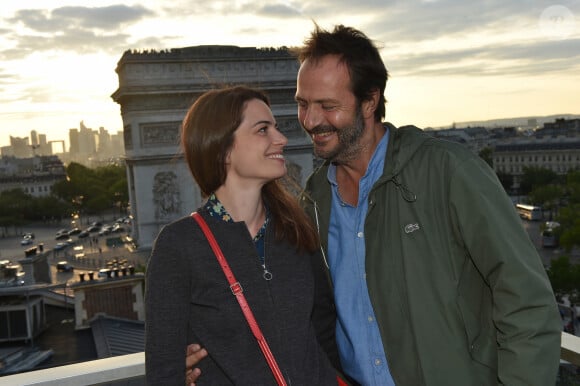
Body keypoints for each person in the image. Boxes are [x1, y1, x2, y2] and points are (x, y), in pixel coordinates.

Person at [186, 25, 562, 385]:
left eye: (327, 105)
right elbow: (297, 315)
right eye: (303, 104)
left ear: (370, 101)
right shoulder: (313, 202)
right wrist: (207, 355)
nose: (310, 120)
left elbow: (527, 302)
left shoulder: (450, 173)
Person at [146, 85, 341, 385]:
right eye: (263, 130)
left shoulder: (297, 229)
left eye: (275, 127)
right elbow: (164, 373)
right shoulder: (179, 246)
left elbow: (324, 335)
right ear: (223, 149)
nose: (282, 138)